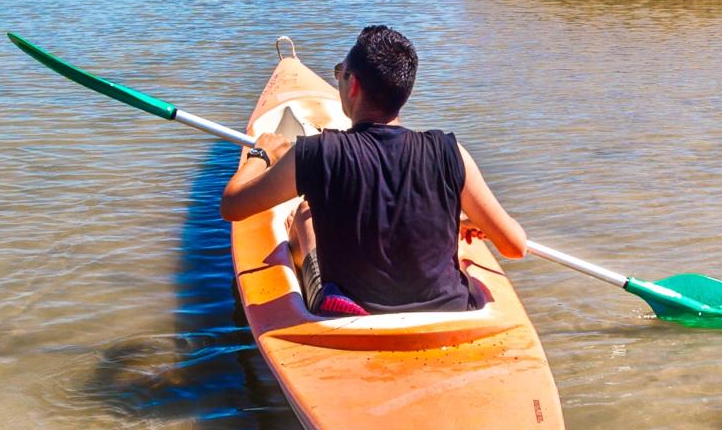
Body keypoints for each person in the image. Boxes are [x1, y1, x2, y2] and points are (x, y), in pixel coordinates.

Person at [221, 26, 530, 315]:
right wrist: (467, 220)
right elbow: (515, 246)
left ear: (353, 85)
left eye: (339, 74)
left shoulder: (317, 152)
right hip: (450, 314)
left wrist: (260, 154)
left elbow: (233, 205)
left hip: (353, 314)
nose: (339, 81)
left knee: (304, 214)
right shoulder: (451, 152)